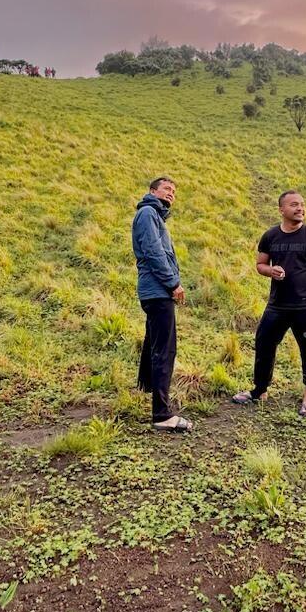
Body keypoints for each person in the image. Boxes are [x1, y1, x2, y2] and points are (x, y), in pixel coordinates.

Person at [233, 189, 306, 416]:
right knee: (264, 345)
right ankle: (259, 391)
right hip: (276, 305)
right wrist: (270, 270)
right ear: (281, 210)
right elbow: (260, 264)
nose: (300, 208)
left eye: (302, 204)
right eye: (294, 205)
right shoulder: (270, 236)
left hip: (305, 306)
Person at [132, 176, 190, 432]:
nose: (171, 193)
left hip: (155, 291)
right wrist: (173, 283)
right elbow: (154, 252)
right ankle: (162, 414)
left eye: (174, 191)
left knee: (155, 343)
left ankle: (149, 390)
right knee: (165, 349)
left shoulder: (154, 216)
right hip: (157, 291)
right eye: (167, 188)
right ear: (152, 191)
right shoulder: (147, 213)